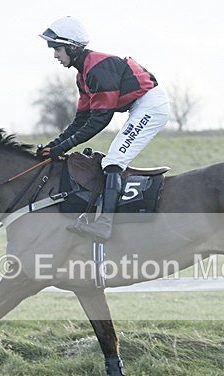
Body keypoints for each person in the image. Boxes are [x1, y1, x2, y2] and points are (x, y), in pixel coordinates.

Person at [39, 16, 169, 241]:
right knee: (112, 160)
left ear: (71, 46)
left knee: (113, 161)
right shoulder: (83, 76)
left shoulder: (97, 69)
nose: (55, 56)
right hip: (140, 106)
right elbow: (81, 121)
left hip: (150, 106)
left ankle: (105, 225)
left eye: (58, 49)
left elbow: (99, 121)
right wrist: (54, 146)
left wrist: (63, 148)